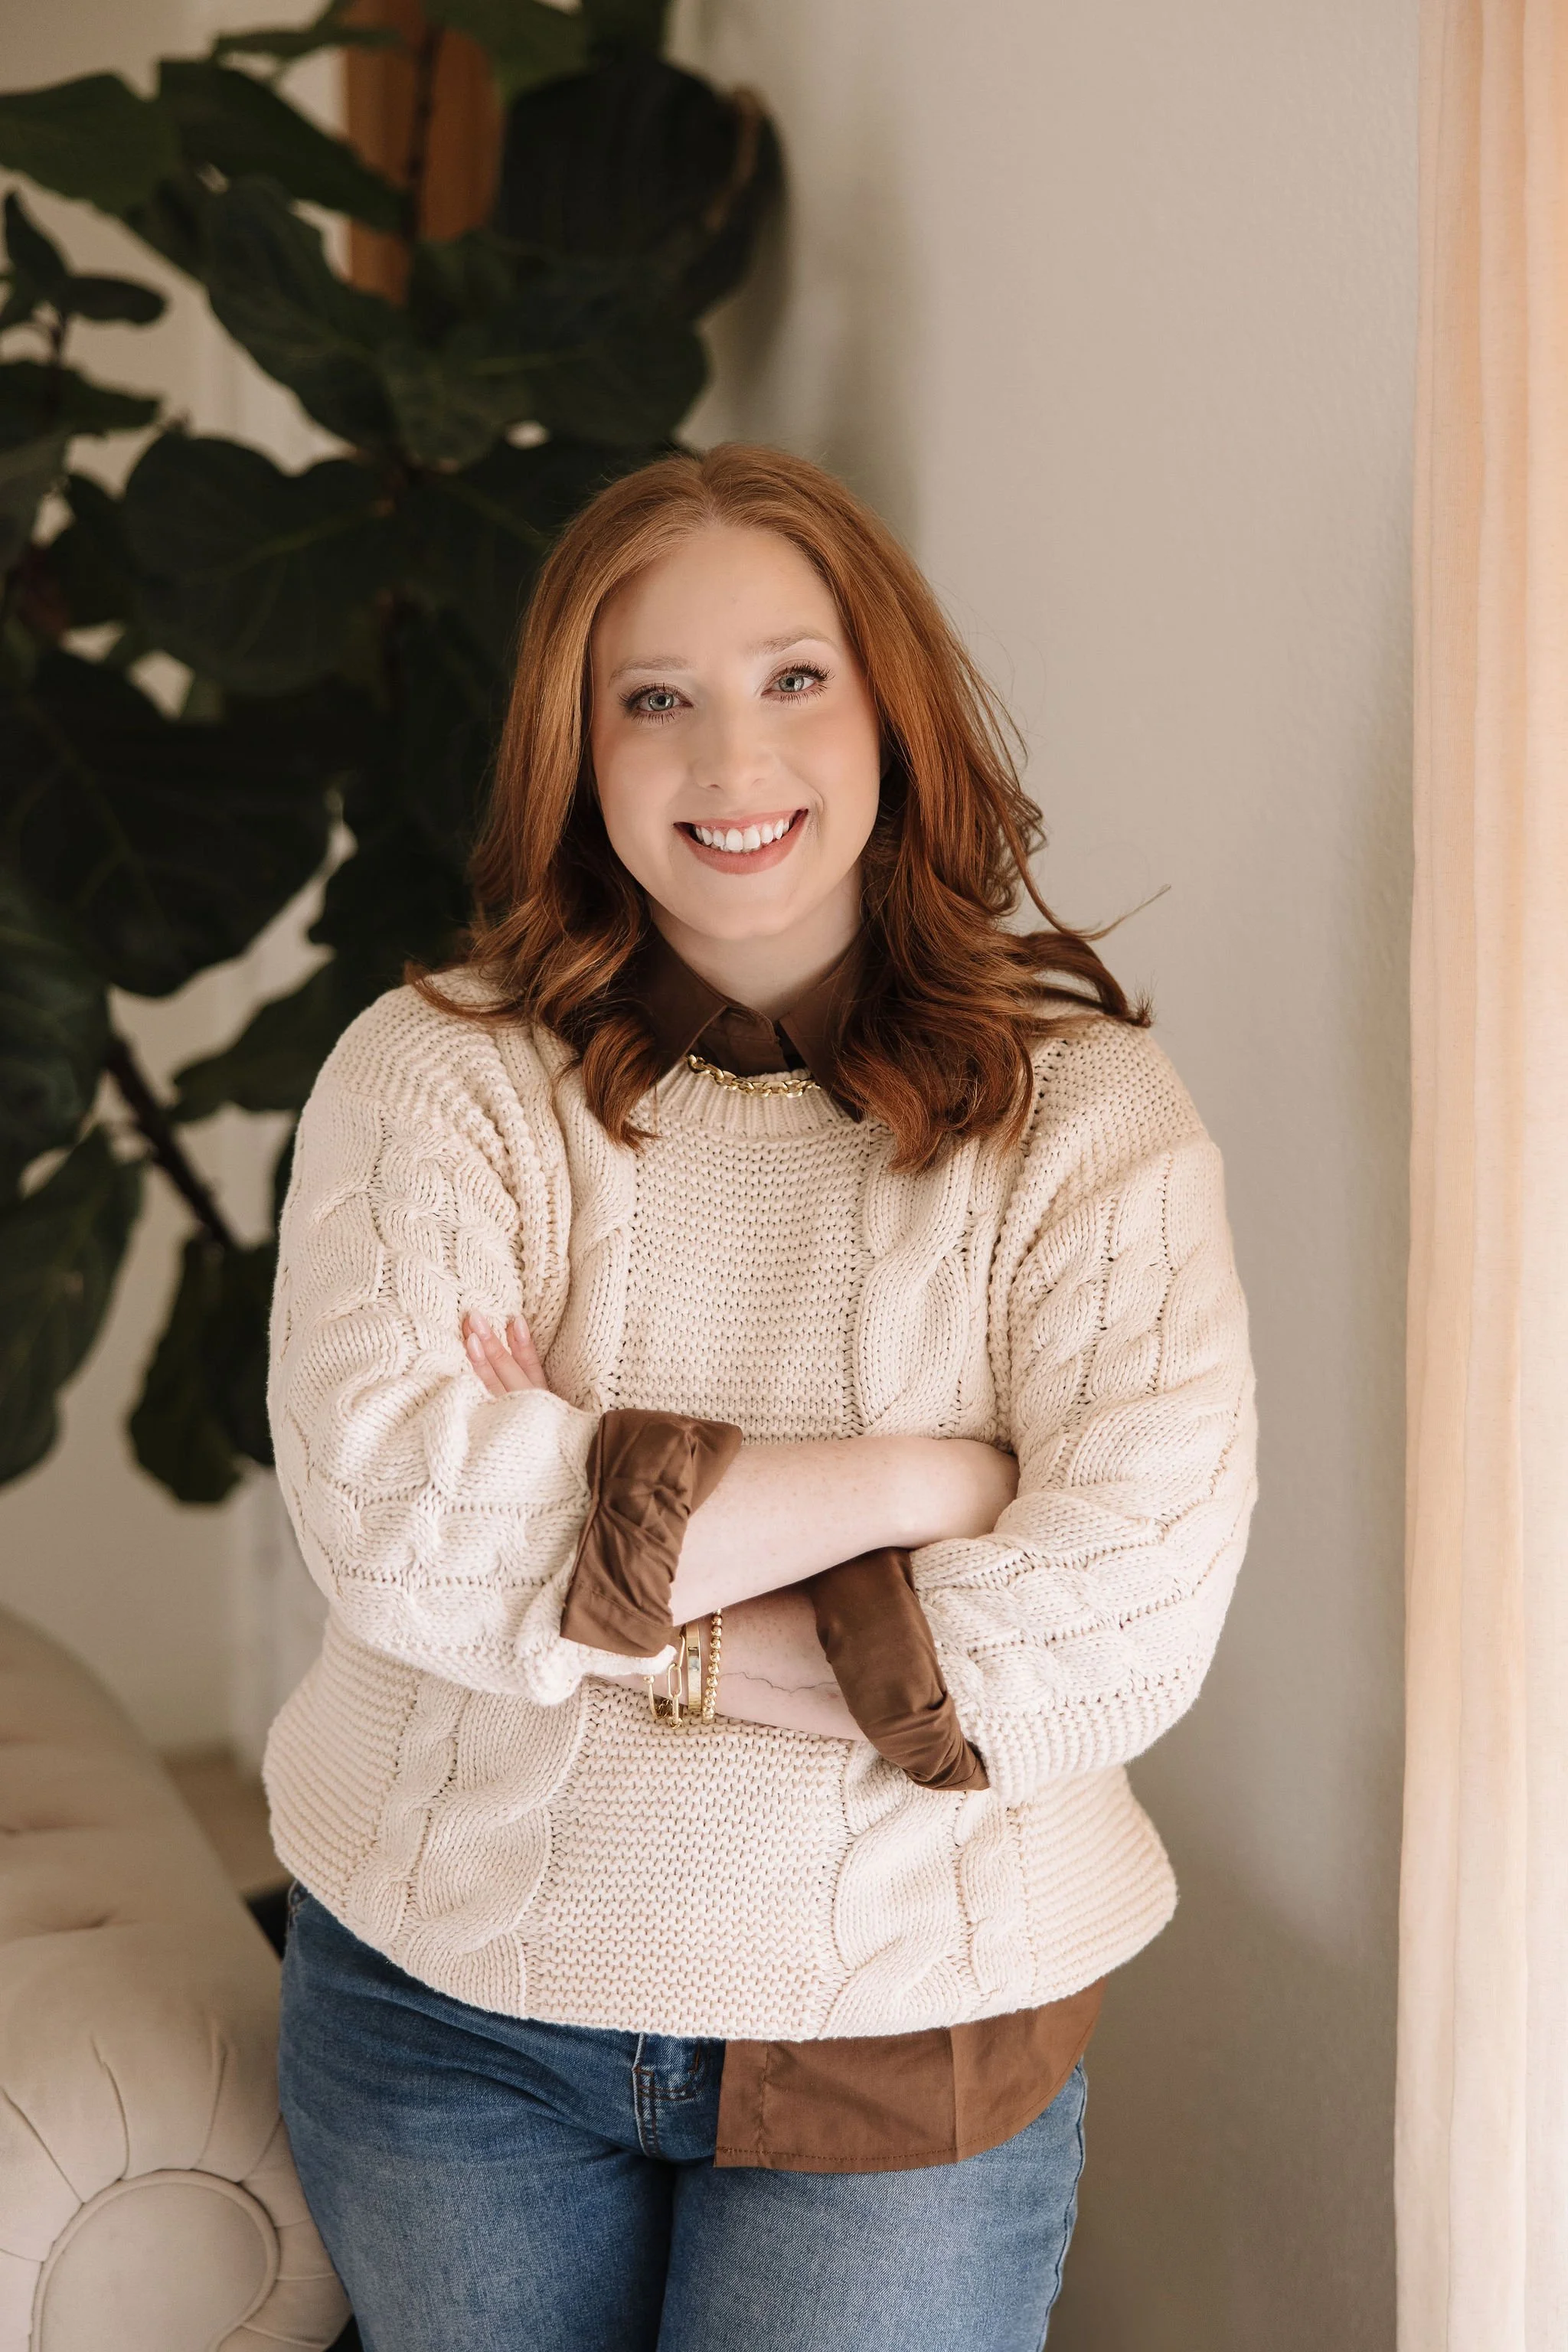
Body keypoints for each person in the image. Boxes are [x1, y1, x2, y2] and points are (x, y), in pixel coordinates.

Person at [267, 443, 1256, 2352]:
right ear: (578, 753)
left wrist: (595, 1567)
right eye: (655, 699)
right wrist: (932, 1481)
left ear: (891, 707)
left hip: (909, 2028)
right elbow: (405, 1522)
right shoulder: (432, 1079)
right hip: (450, 2003)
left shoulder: (1088, 1121)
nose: (732, 762)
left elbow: (1113, 1621)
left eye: (793, 678)